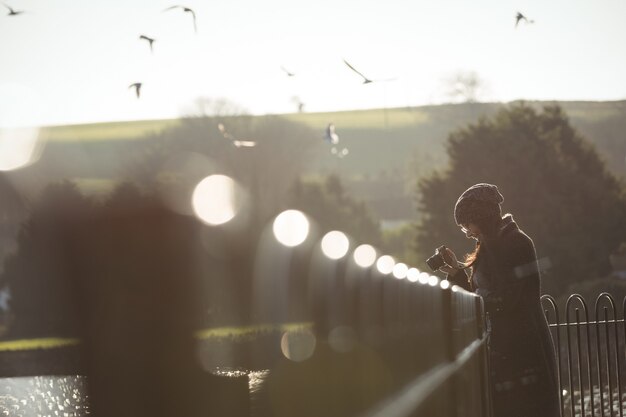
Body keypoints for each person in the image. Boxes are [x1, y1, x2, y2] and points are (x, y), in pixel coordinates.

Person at [437, 183, 560, 417]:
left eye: (467, 224)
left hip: (523, 349)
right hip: (506, 348)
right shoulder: (491, 245)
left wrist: (477, 299)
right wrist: (457, 274)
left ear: (480, 218)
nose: (468, 231)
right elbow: (484, 295)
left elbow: (506, 299)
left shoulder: (516, 243)